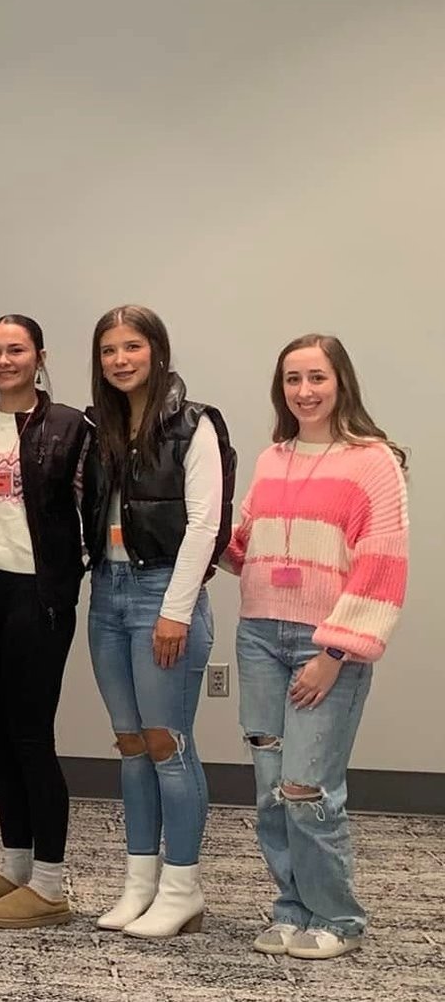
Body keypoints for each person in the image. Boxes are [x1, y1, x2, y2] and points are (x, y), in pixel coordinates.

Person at [226, 333, 407, 961]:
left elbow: (381, 565)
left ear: (341, 383)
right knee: (271, 787)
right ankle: (292, 907)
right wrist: (189, 528)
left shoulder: (373, 460)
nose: (304, 391)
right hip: (258, 636)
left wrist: (334, 653)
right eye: (292, 379)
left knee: (308, 790)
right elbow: (244, 543)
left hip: (324, 643)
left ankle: (338, 917)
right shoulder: (272, 457)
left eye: (316, 378)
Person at [83, 306, 234, 938]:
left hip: (161, 594)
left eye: (132, 346)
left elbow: (206, 523)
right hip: (108, 593)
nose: (120, 359)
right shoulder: (100, 426)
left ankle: (183, 888)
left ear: (157, 351)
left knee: (169, 745)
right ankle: (139, 883)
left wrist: (175, 609)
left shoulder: (195, 423)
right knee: (130, 745)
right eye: (109, 349)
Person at [0, 314, 92, 928]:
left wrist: (75, 570)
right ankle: (16, 866)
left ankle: (51, 886)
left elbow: (93, 505)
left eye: (16, 350)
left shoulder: (69, 427)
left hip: (39, 595)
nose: (4, 361)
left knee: (32, 735)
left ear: (40, 356)